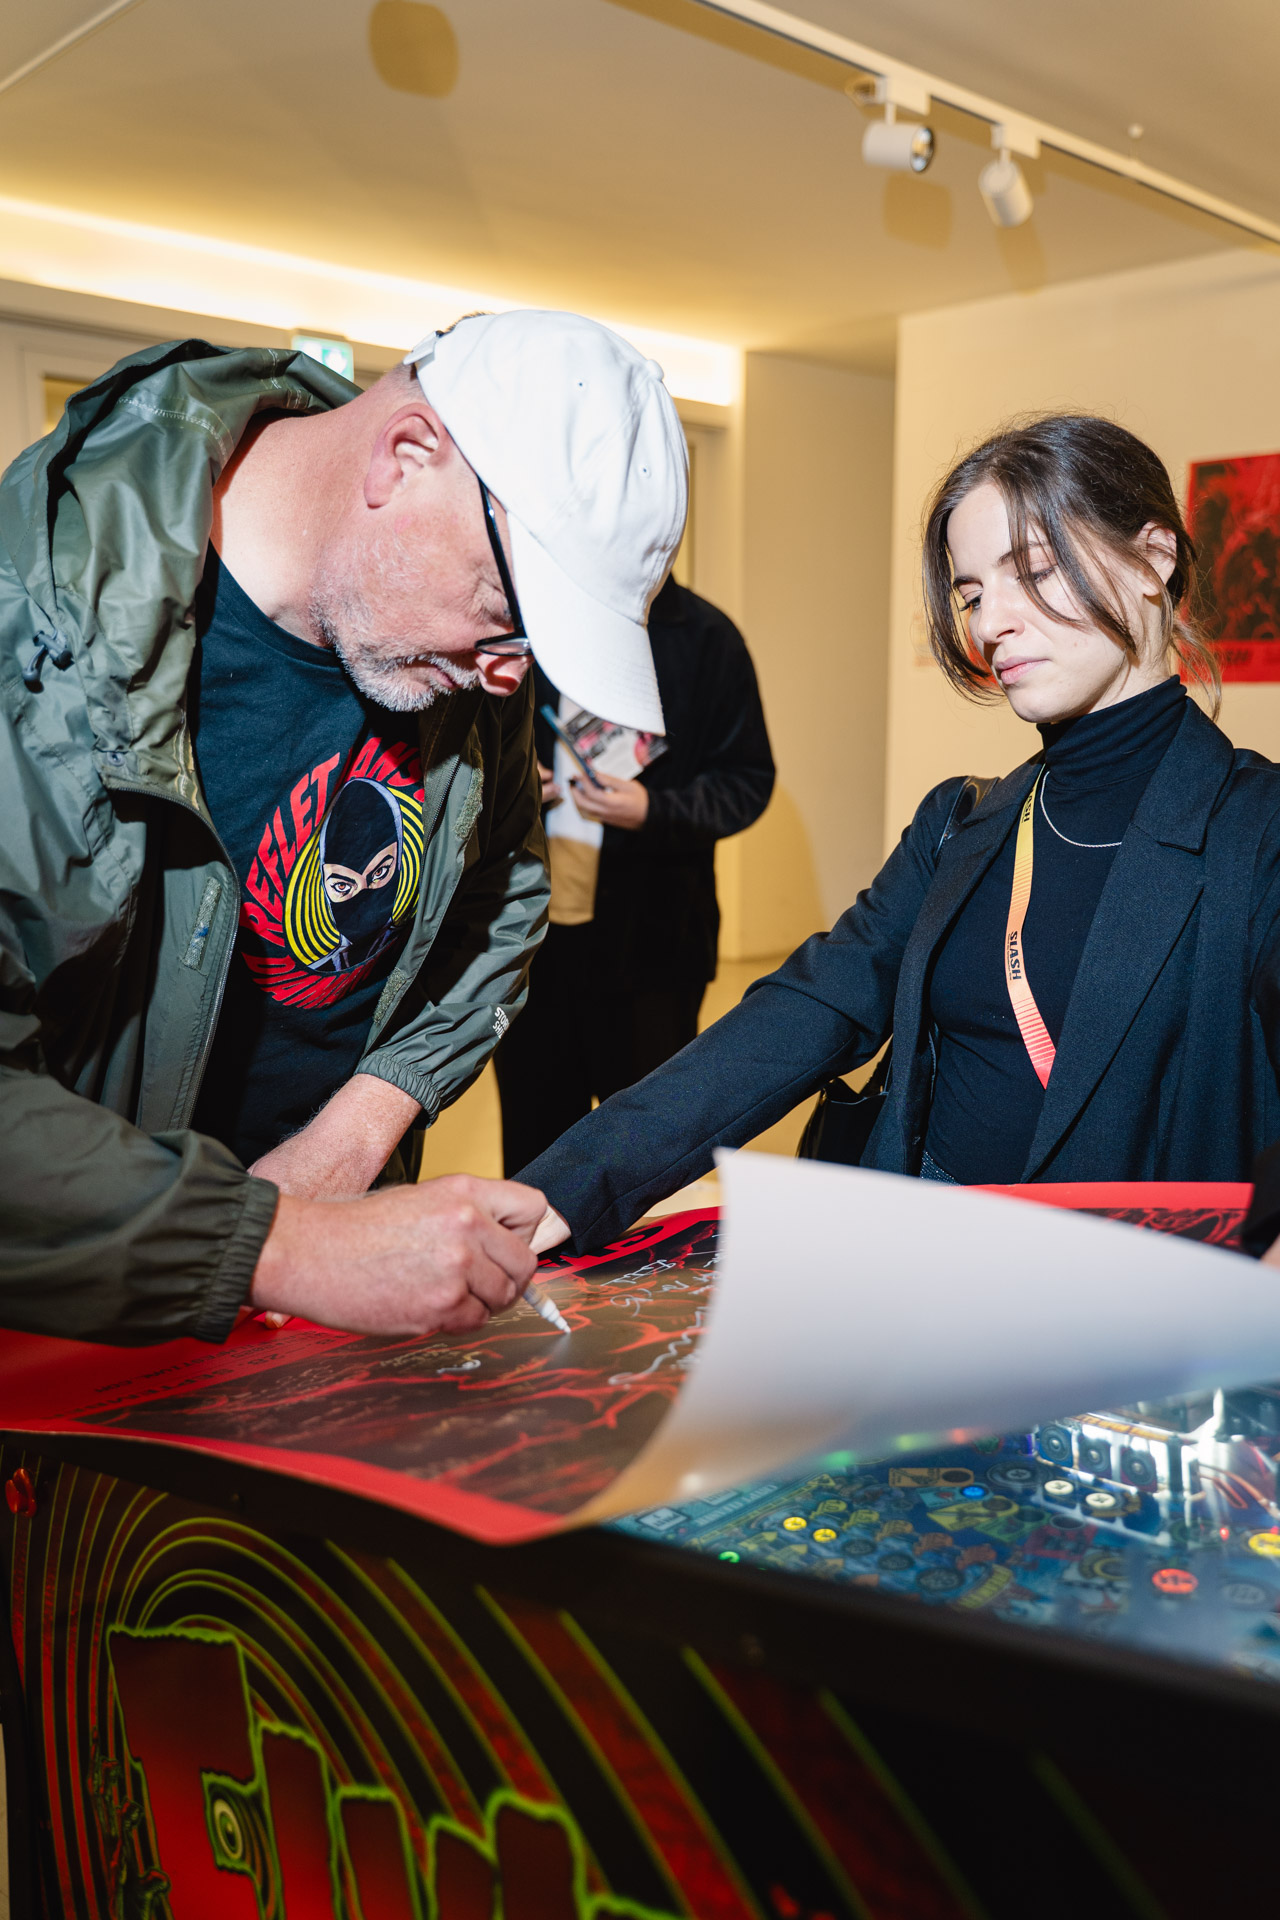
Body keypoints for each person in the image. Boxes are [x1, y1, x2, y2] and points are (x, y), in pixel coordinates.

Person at [0, 310, 687, 1343]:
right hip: (80, 1321)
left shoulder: (455, 656)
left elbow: (502, 903)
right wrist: (281, 1245)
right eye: (506, 614)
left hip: (336, 1299)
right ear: (403, 456)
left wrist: (363, 1125)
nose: (509, 680)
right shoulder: (37, 623)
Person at [521, 412, 1280, 1256]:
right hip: (921, 1272)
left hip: (1143, 1305)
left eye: (1033, 571)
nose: (990, 624)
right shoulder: (961, 826)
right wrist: (570, 1182)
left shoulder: (1258, 834)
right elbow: (803, 1013)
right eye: (972, 595)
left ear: (1152, 559)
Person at [494, 574, 775, 1173]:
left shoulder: (706, 638)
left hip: (653, 947)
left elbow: (748, 781)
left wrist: (655, 810)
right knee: (533, 1156)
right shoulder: (528, 621)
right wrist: (507, 786)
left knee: (647, 1158)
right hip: (525, 949)